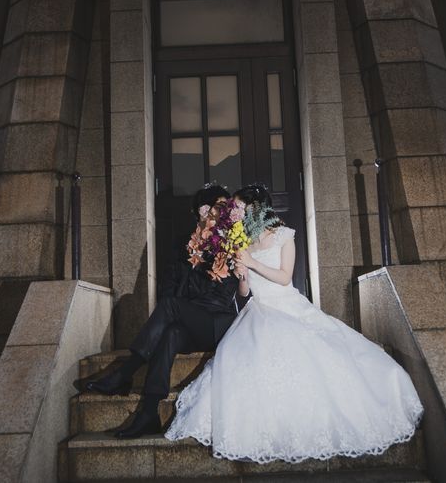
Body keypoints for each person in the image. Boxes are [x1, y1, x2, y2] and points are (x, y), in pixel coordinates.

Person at [165, 184, 424, 463]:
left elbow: (285, 277)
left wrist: (252, 263)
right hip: (257, 310)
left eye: (239, 207)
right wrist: (242, 275)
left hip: (287, 305)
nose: (235, 213)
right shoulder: (242, 241)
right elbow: (244, 293)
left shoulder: (284, 236)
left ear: (255, 208)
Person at [86, 184, 247, 439]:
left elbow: (221, 294)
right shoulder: (186, 244)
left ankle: (125, 373)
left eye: (223, 208)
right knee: (171, 332)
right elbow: (170, 286)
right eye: (215, 207)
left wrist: (205, 260)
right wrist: (194, 254)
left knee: (172, 307)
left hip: (218, 322)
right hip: (189, 321)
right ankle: (149, 412)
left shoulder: (231, 243)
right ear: (202, 211)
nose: (220, 212)